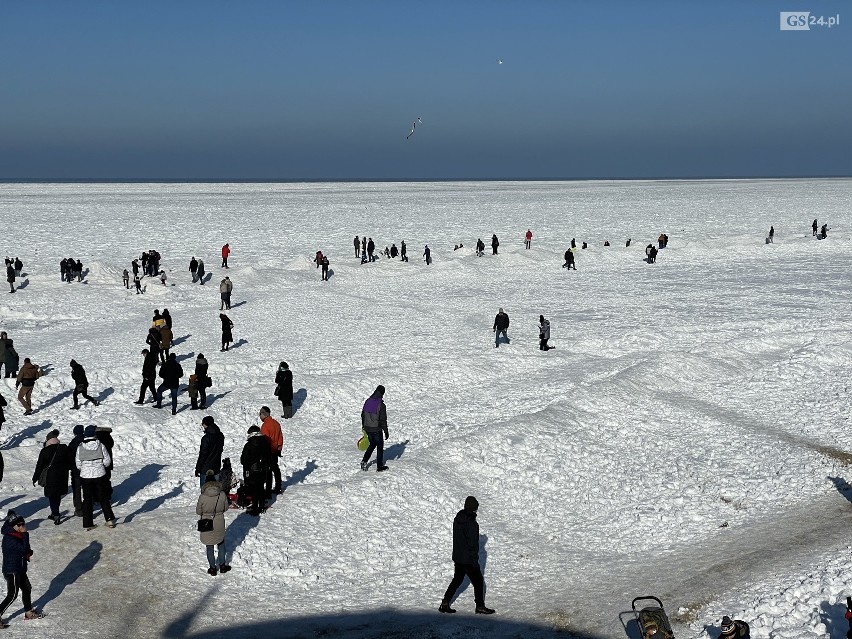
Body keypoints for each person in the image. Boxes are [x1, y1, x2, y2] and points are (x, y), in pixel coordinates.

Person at [438, 496, 495, 615]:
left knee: (457, 579)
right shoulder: (472, 524)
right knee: (478, 581)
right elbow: (473, 544)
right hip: (468, 559)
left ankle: (445, 602)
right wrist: (474, 560)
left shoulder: (458, 519)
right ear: (474, 509)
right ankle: (480, 606)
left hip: (458, 557)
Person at [0, 515, 44, 625]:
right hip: (12, 570)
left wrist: (28, 552)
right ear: (12, 526)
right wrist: (25, 534)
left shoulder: (16, 535)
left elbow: (25, 549)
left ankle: (28, 612)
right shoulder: (9, 538)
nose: (22, 526)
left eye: (23, 524)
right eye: (19, 525)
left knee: (27, 588)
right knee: (12, 594)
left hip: (19, 569)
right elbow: (23, 548)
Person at [75, 425, 116, 530]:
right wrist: (101, 466)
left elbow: (78, 463)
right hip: (100, 474)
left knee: (87, 499)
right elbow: (107, 460)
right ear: (94, 434)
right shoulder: (100, 445)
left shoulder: (80, 446)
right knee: (104, 497)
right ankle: (109, 519)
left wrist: (84, 468)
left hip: (86, 476)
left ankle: (88, 523)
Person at [196, 470, 231, 576]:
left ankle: (212, 568)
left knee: (209, 546)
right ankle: (223, 566)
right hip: (219, 521)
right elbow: (226, 508)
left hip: (207, 523)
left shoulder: (203, 496)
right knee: (221, 543)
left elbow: (198, 511)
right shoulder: (222, 494)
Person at [32, 429, 69, 525]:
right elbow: (70, 462)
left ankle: (56, 515)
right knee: (58, 494)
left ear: (48, 440)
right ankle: (54, 512)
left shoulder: (45, 451)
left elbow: (39, 466)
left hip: (50, 477)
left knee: (52, 495)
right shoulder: (64, 448)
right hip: (63, 475)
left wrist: (35, 477)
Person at [240, 426, 270, 516]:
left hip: (252, 470)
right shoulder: (265, 442)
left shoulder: (249, 444)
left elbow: (243, 460)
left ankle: (255, 508)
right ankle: (261, 506)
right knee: (260, 487)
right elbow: (268, 457)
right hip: (263, 469)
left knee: (254, 489)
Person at [360, 385, 388, 472]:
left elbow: (363, 415)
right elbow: (383, 420)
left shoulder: (368, 401)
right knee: (379, 446)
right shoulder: (381, 405)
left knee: (372, 444)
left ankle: (364, 461)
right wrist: (386, 431)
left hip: (367, 428)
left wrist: (364, 426)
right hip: (376, 429)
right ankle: (379, 466)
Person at [195, 416, 224, 489]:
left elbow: (203, 454)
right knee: (216, 490)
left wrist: (198, 468)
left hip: (205, 469)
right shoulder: (220, 435)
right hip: (216, 467)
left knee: (205, 490)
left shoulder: (206, 438)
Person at [259, 407, 283, 496]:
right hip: (276, 450)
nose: (259, 416)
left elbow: (264, 441)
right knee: (276, 469)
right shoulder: (276, 423)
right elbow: (280, 437)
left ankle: (268, 491)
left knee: (268, 471)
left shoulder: (265, 425)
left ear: (264, 414)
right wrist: (279, 448)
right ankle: (278, 487)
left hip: (268, 451)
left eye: (260, 414)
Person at [67, 424, 85, 517]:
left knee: (76, 490)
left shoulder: (73, 442)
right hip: (87, 469)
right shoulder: (86, 441)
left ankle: (79, 509)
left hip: (76, 470)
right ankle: (88, 506)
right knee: (87, 489)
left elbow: (69, 456)